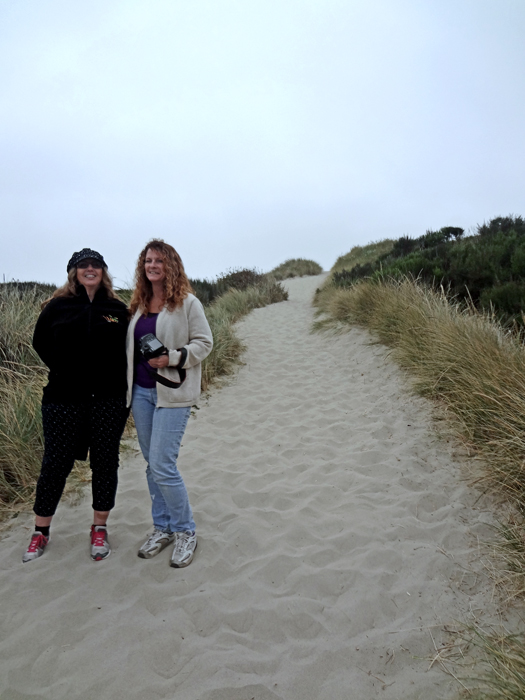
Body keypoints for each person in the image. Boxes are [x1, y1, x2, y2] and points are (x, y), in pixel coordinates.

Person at [23, 248, 129, 563]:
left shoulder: (117, 309)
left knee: (106, 463)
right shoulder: (57, 307)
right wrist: (66, 371)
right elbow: (40, 342)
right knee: (55, 464)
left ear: (104, 272)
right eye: (84, 265)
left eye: (96, 265)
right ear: (74, 272)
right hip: (62, 399)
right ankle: (40, 531)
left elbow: (129, 348)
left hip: (109, 400)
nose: (91, 269)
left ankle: (99, 527)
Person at [127, 239, 212, 568]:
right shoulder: (138, 304)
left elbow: (205, 343)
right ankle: (161, 527)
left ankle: (185, 530)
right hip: (141, 394)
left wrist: (172, 358)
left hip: (174, 394)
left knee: (163, 464)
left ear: (171, 265)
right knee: (152, 465)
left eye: (159, 260)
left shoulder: (187, 303)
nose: (152, 265)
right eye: (148, 260)